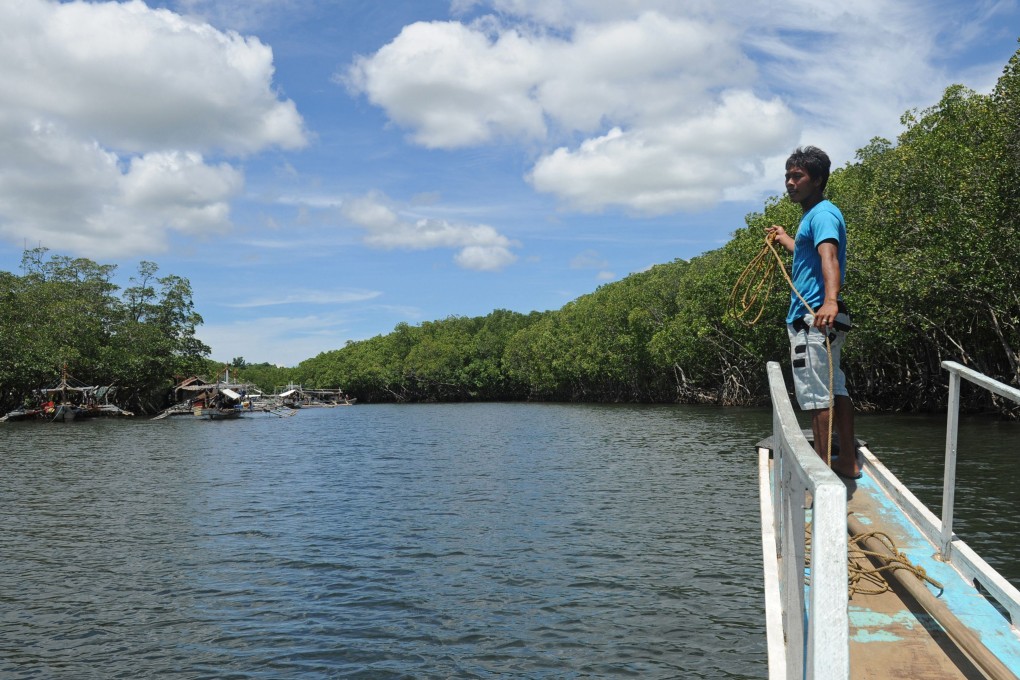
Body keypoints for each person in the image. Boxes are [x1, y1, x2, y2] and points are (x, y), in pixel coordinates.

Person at [766, 146, 859, 480]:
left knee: (818, 397)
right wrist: (785, 238)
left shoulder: (821, 214)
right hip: (823, 318)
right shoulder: (815, 216)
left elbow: (828, 256)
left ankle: (821, 476)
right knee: (836, 390)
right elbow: (807, 255)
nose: (790, 183)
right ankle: (847, 461)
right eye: (788, 176)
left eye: (798, 176)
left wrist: (830, 301)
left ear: (817, 180)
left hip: (814, 319)